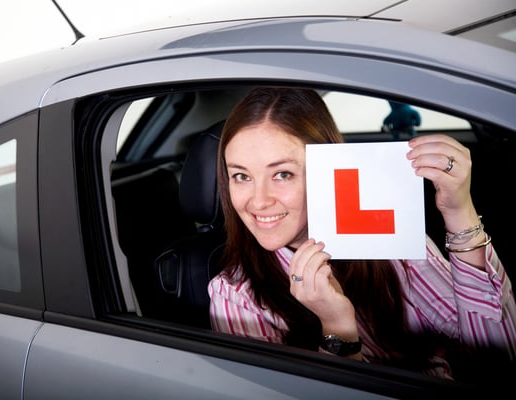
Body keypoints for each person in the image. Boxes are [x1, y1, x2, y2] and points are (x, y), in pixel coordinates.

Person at [208, 86, 516, 380]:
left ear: (329, 166)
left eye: (282, 174)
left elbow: (496, 358)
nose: (259, 200)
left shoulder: (392, 242)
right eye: (241, 176)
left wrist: (458, 211)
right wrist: (337, 330)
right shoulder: (235, 295)